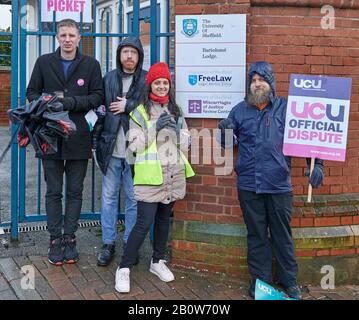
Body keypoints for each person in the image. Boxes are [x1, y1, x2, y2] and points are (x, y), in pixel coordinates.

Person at [218, 61, 324, 299]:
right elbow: (227, 143)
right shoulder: (239, 110)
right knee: (256, 235)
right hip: (249, 185)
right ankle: (260, 282)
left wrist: (318, 166)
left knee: (282, 235)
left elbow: (309, 136)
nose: (257, 84)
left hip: (278, 186)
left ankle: (290, 281)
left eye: (261, 79)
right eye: (253, 80)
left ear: (271, 83)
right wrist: (223, 131)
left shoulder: (287, 109)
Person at [26, 19, 103, 266]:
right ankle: (54, 239)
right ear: (57, 38)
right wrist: (47, 103)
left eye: (71, 35)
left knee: (75, 191)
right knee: (53, 191)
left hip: (79, 136)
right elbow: (31, 92)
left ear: (79, 38)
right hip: (50, 135)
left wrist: (70, 103)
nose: (67, 39)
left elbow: (98, 97)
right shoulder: (43, 62)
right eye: (63, 35)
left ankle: (70, 238)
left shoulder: (91, 65)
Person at [114, 62, 194, 293]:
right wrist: (155, 127)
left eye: (165, 83)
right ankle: (123, 267)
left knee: (162, 221)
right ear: (150, 85)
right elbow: (135, 146)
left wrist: (179, 133)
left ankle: (157, 261)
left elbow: (186, 145)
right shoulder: (139, 111)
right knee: (143, 224)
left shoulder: (176, 110)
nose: (161, 86)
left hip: (172, 174)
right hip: (150, 177)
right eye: (157, 82)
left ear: (169, 85)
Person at [92, 37, 147, 266]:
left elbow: (154, 107)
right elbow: (99, 112)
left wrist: (129, 105)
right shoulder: (109, 79)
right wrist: (95, 144)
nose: (129, 57)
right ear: (119, 55)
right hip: (111, 148)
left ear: (139, 56)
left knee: (133, 199)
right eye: (125, 52)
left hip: (137, 151)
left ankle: (129, 245)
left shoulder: (146, 80)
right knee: (109, 198)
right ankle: (108, 244)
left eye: (133, 53)